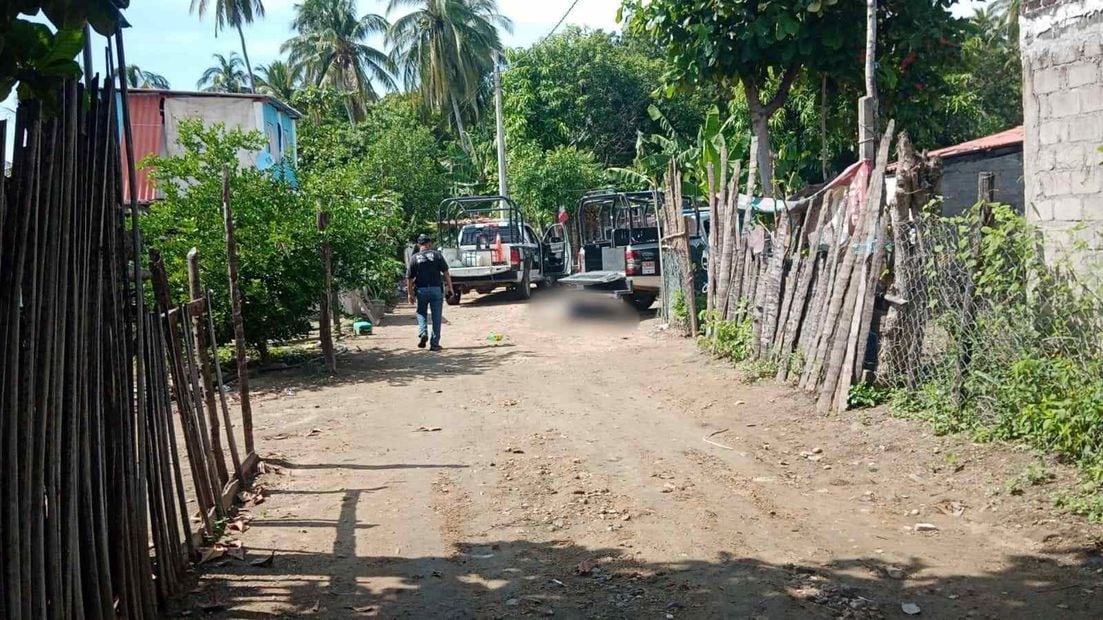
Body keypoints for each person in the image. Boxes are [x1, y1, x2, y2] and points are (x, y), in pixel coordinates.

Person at [406, 234, 454, 351]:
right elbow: (446, 273)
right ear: (429, 244)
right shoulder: (437, 255)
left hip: (421, 290)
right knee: (436, 316)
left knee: (421, 313)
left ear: (418, 245)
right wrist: (450, 288)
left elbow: (409, 278)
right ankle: (434, 344)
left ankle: (423, 333)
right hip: (436, 289)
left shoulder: (414, 258)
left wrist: (410, 293)